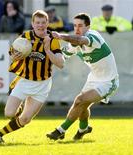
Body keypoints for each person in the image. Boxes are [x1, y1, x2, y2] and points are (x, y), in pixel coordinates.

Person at [0, 9, 65, 143]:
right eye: (37, 22)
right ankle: (17, 108)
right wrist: (14, 56)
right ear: (32, 23)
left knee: (25, 119)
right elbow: (12, 54)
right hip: (25, 80)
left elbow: (61, 64)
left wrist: (47, 50)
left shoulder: (52, 39)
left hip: (43, 84)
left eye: (43, 22)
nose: (40, 25)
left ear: (48, 23)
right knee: (9, 114)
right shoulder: (25, 37)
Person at [46, 13, 119, 141]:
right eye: (75, 26)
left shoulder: (93, 37)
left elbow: (80, 40)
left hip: (108, 81)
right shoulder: (73, 45)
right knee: (81, 104)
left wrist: (61, 36)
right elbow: (61, 57)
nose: (77, 29)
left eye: (80, 26)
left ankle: (60, 130)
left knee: (80, 100)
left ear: (88, 27)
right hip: (93, 79)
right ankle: (83, 129)